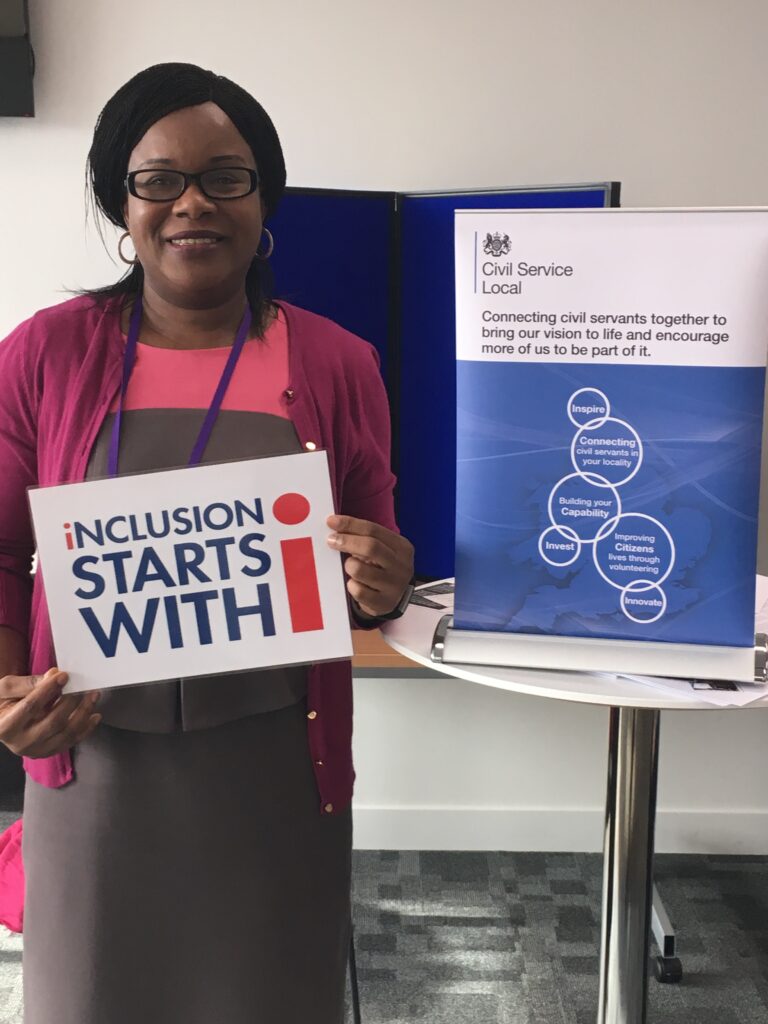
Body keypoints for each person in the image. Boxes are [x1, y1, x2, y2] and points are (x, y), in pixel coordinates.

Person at [0, 62, 413, 1024]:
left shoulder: (337, 363)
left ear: (263, 196)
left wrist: (384, 580)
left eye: (226, 176)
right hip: (93, 767)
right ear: (121, 201)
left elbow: (376, 559)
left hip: (270, 775)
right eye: (158, 180)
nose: (193, 203)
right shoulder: (43, 355)